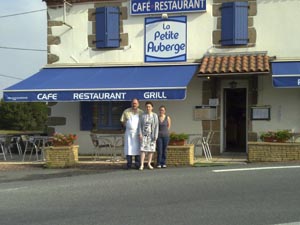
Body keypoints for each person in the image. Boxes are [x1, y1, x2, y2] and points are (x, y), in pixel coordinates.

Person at [120, 98, 144, 169]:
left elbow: (143, 122)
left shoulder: (141, 112)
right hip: (129, 133)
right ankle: (129, 164)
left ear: (138, 104)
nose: (134, 105)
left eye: (135, 103)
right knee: (129, 148)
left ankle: (137, 164)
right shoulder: (126, 111)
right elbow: (122, 120)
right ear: (131, 104)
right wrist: (127, 125)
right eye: (133, 103)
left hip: (137, 133)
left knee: (137, 148)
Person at [138, 101, 159, 170]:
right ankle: (142, 164)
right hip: (144, 135)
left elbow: (156, 126)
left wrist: (156, 135)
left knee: (151, 150)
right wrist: (140, 134)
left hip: (151, 135)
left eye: (149, 106)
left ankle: (149, 163)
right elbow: (140, 125)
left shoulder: (154, 115)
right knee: (143, 150)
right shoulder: (142, 115)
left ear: (152, 108)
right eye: (147, 106)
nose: (148, 108)